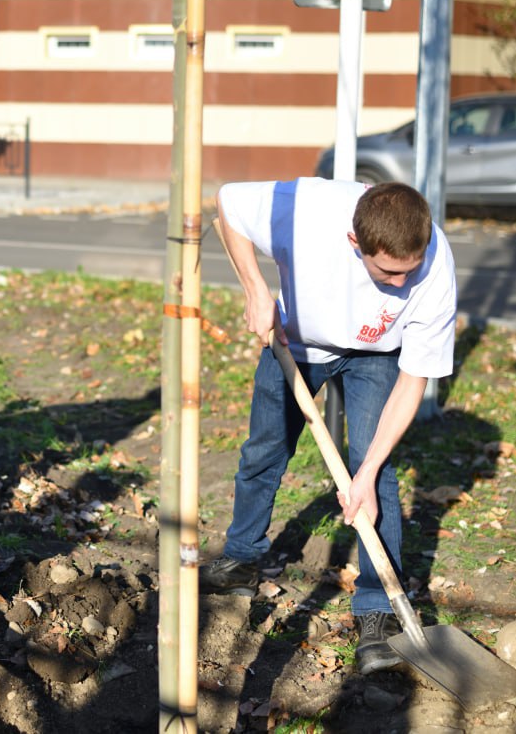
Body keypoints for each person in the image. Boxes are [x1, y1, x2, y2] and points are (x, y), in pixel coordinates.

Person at [205, 177, 456, 675]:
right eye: (388, 272)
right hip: (294, 342)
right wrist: (256, 289)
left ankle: (377, 609)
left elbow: (412, 382)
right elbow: (227, 204)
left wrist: (365, 472)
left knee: (374, 473)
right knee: (264, 452)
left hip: (378, 357)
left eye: (410, 271)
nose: (404, 284)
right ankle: (241, 558)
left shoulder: (435, 264)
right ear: (354, 242)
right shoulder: (307, 211)